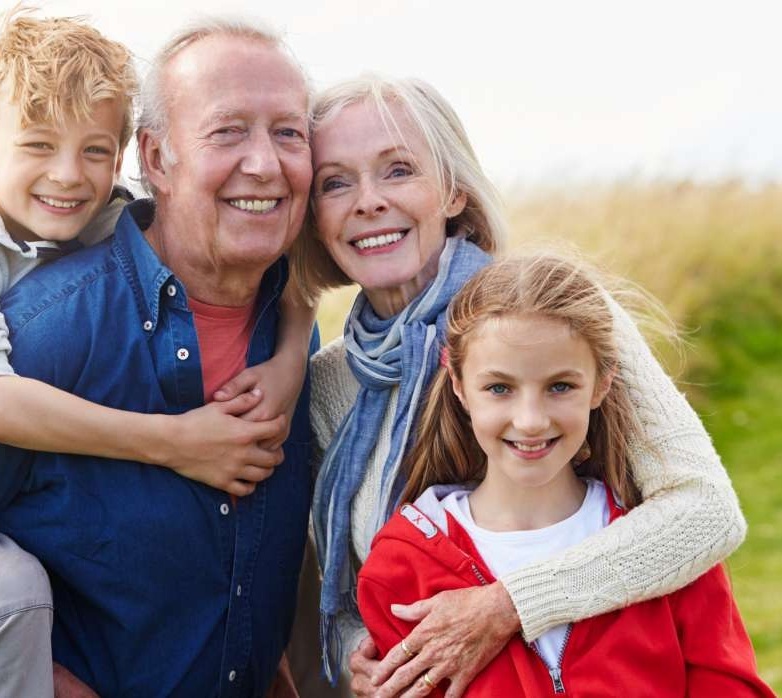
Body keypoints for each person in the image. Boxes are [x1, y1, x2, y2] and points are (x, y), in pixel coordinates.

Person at [0, 16, 315, 698]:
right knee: (4, 590)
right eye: (228, 131)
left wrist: (295, 341)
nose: (264, 161)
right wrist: (28, 680)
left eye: (288, 132)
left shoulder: (283, 325)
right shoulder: (5, 309)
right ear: (159, 160)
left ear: (121, 161)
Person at [283, 76, 746, 697]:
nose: (368, 201)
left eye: (397, 171)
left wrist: (507, 606)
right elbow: (347, 583)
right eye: (336, 182)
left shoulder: (553, 321)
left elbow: (705, 514)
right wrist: (359, 661)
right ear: (315, 215)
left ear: (453, 191)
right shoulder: (328, 384)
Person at [355, 254, 773, 696]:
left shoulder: (667, 548)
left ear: (603, 383)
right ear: (458, 384)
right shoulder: (402, 567)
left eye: (560, 387)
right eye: (499, 388)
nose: (531, 420)